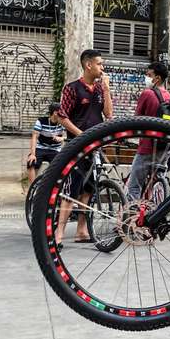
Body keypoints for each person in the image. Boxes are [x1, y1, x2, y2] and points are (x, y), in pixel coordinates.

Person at [54, 50, 113, 246]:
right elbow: (62, 117)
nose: (102, 68)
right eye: (100, 64)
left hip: (94, 148)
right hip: (76, 148)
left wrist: (106, 89)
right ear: (88, 65)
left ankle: (81, 231)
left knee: (88, 191)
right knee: (71, 192)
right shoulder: (72, 89)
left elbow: (108, 114)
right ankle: (58, 235)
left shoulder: (98, 89)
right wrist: (81, 135)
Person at [126, 61, 170, 201]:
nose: (146, 77)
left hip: (146, 148)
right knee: (156, 183)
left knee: (134, 186)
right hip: (164, 148)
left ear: (157, 78)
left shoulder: (147, 93)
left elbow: (136, 119)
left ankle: (132, 218)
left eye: (149, 75)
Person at [27, 102, 65, 186]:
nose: (63, 114)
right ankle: (32, 188)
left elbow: (67, 137)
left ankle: (52, 189)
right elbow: (34, 137)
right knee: (31, 162)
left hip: (55, 149)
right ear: (55, 112)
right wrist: (32, 154)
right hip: (41, 147)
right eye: (61, 112)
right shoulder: (41, 121)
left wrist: (61, 138)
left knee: (59, 166)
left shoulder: (63, 122)